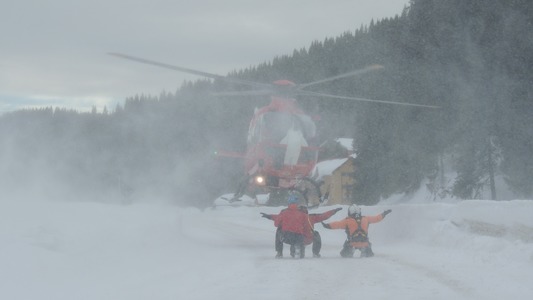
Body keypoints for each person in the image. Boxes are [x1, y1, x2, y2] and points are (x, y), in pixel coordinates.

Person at [262, 204, 342, 258]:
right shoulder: (311, 217)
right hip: (305, 239)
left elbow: (277, 218)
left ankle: (279, 253)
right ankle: (315, 253)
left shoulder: (295, 216)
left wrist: (268, 216)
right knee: (316, 234)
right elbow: (323, 216)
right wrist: (333, 211)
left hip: (293, 238)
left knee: (283, 234)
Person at [322, 204, 392, 258]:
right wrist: (384, 213)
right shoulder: (366, 219)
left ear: (350, 212)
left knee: (344, 255)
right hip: (365, 243)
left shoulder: (347, 221)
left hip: (352, 243)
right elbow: (377, 218)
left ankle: (349, 251)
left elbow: (337, 224)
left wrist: (326, 225)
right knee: (369, 254)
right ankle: (365, 251)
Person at [259, 194, 310, 258]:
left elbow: (276, 224)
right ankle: (300, 251)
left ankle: (279, 253)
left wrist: (281, 222)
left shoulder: (284, 212)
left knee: (279, 230)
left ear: (288, 203)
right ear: (297, 203)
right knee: (299, 239)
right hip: (299, 237)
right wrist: (307, 237)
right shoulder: (303, 214)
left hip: (287, 237)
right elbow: (307, 226)